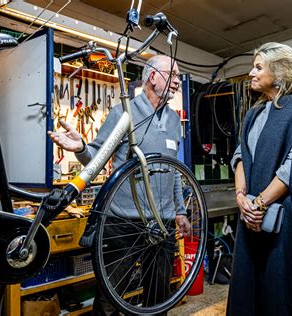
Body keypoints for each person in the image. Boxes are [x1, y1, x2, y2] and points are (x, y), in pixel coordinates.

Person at [48, 55, 191, 315]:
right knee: (109, 299)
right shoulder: (124, 113)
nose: (177, 82)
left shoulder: (172, 120)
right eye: (173, 74)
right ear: (152, 77)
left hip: (162, 224)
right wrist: (81, 147)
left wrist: (179, 210)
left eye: (179, 76)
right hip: (123, 223)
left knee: (159, 297)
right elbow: (96, 156)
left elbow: (174, 170)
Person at [227, 42, 292, 315]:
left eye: (259, 67)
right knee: (252, 297)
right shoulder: (254, 113)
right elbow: (240, 155)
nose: (251, 72)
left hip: (284, 227)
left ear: (281, 71)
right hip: (251, 220)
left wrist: (259, 204)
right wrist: (241, 198)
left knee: (282, 297)